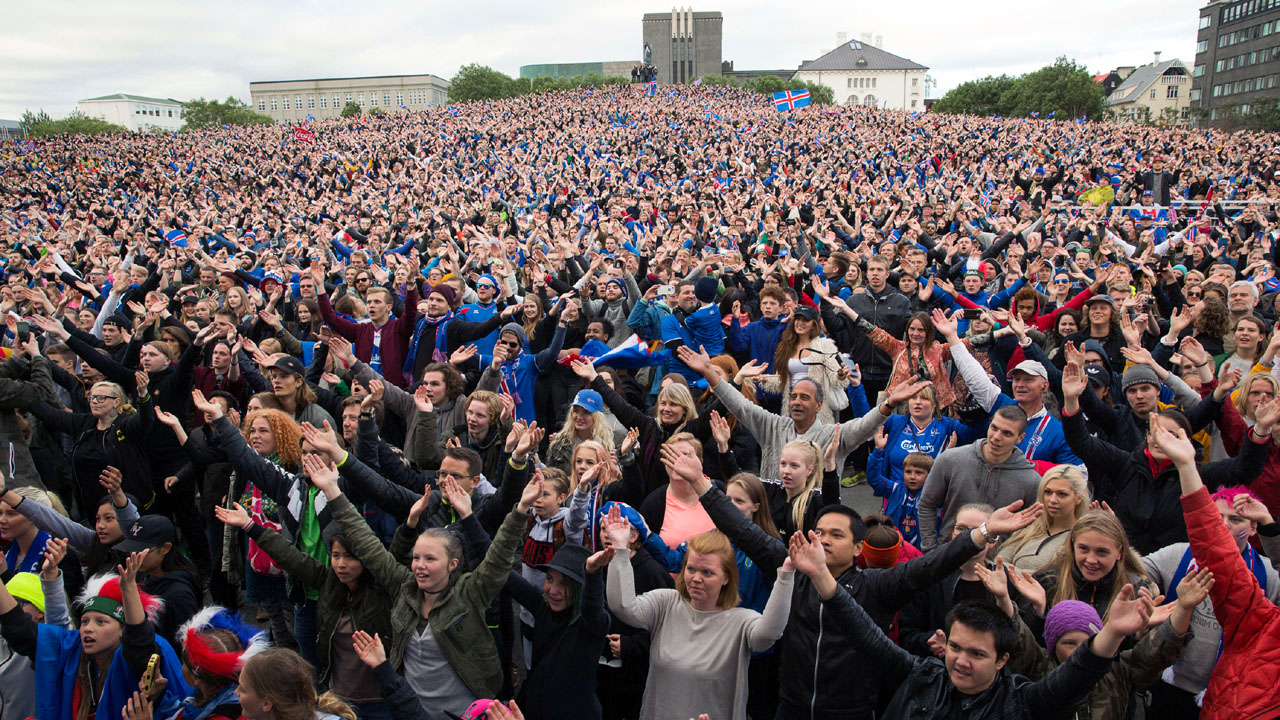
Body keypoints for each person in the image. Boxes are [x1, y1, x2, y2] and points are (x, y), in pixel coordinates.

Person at [786, 526, 1154, 720]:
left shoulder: (1022, 702)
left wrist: (1111, 634)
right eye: (956, 647)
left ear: (1002, 660)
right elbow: (864, 634)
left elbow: (1076, 677)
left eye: (977, 654)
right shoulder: (923, 675)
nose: (959, 661)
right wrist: (821, 575)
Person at [601, 504, 794, 720]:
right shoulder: (667, 602)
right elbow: (623, 606)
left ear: (727, 578)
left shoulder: (741, 622)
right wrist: (620, 550)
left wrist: (786, 576)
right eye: (691, 569)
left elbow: (769, 635)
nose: (696, 578)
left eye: (708, 572)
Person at [1060, 360, 1270, 553]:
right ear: (1148, 436)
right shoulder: (1126, 464)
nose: (1163, 440)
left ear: (1186, 440)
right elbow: (1082, 443)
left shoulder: (1199, 474)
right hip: (1128, 563)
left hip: (1176, 567)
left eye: (1171, 435)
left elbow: (1246, 468)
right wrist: (1071, 399)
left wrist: (1260, 429)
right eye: (1157, 433)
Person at [1153, 420, 1280, 719]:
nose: (1226, 524)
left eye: (1234, 519)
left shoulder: (1268, 577)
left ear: (1251, 529)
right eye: (1220, 516)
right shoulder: (1262, 625)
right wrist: (1186, 467)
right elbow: (1218, 555)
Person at [506, 543, 609, 720]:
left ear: (579, 588)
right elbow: (501, 569)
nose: (553, 590)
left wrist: (592, 573)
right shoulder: (542, 606)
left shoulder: (589, 627)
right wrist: (469, 519)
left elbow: (593, 608)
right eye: (549, 579)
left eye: (564, 584)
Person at [917, 405, 1042, 550]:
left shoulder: (1031, 481)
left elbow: (1034, 529)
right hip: (948, 555)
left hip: (997, 563)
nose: (996, 437)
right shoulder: (951, 459)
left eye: (1007, 433)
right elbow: (927, 505)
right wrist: (930, 550)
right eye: (994, 428)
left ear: (1020, 438)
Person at [996, 465, 1091, 574]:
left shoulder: (1080, 537)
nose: (1053, 500)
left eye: (1062, 494)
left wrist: (1011, 573)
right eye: (1048, 492)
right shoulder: (1029, 526)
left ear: (1078, 498)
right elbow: (998, 564)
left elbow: (1051, 579)